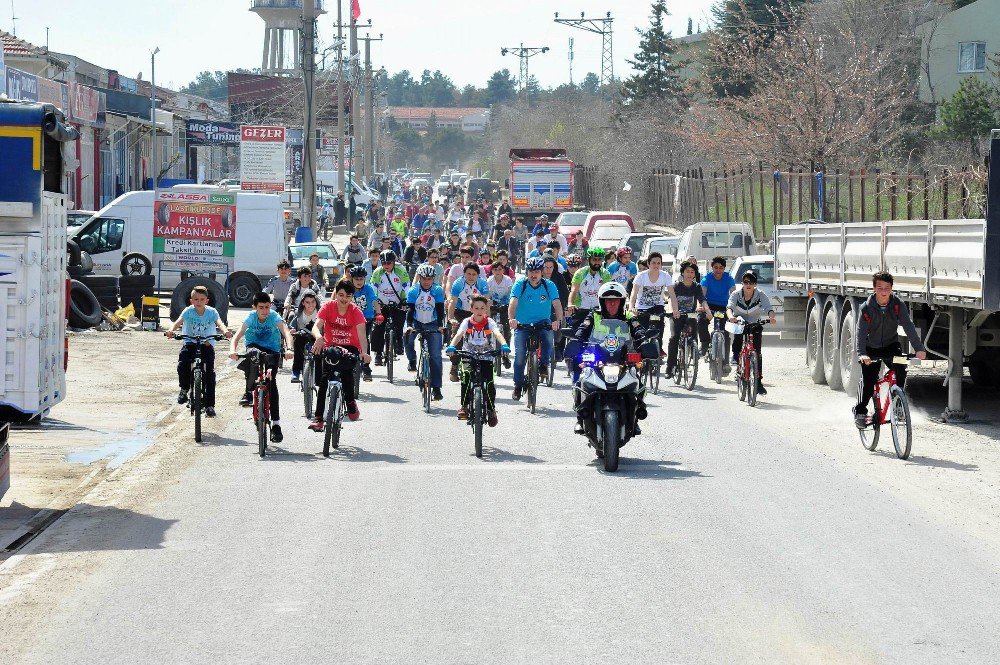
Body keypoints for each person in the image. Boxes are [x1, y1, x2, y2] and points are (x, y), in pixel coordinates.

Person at [571, 281, 649, 435]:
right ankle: (580, 419)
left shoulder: (628, 316)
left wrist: (644, 339)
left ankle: (635, 418)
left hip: (622, 359)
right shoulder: (594, 315)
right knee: (581, 379)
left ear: (621, 302)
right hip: (598, 358)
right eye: (608, 300)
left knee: (637, 381)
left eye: (616, 300)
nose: (612, 303)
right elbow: (583, 329)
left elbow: (638, 328)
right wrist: (577, 340)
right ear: (602, 301)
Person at [853, 271, 927, 428]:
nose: (884, 291)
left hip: (891, 347)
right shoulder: (866, 308)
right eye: (880, 287)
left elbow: (908, 326)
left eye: (887, 287)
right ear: (874, 288)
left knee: (901, 368)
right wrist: (862, 354)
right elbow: (860, 333)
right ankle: (860, 411)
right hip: (870, 350)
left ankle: (898, 405)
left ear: (892, 288)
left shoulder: (897, 305)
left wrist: (919, 348)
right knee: (868, 381)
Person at [229, 292, 294, 443]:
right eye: (261, 308)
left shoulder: (274, 316)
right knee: (252, 356)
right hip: (254, 347)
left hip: (272, 349)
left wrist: (289, 349)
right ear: (254, 308)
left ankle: (276, 425)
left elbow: (286, 332)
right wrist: (232, 350)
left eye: (267, 307)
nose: (264, 311)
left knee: (272, 383)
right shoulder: (251, 317)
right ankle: (249, 392)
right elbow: (237, 335)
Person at [309, 279, 371, 430]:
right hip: (332, 347)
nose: (344, 299)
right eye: (341, 295)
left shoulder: (356, 311)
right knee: (324, 379)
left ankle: (350, 402)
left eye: (348, 296)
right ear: (336, 293)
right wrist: (319, 337)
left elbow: (362, 335)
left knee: (347, 373)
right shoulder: (328, 307)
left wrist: (364, 353)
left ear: (352, 297)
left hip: (350, 348)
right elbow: (316, 326)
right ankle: (318, 418)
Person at [165, 285, 232, 418]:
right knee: (182, 365)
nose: (199, 302)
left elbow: (219, 323)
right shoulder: (188, 311)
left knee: (210, 375)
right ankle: (184, 389)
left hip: (206, 344)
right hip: (190, 342)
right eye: (196, 299)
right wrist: (171, 331)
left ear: (207, 300)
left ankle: (209, 406)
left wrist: (225, 331)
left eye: (202, 299)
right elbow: (178, 322)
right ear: (191, 301)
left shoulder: (212, 312)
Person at [447, 294, 511, 426]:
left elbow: (498, 333)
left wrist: (504, 344)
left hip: (486, 355)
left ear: (486, 309)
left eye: (483, 308)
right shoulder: (466, 322)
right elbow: (459, 334)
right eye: (476, 308)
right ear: (471, 309)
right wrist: (452, 346)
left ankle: (491, 410)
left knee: (489, 383)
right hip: (468, 354)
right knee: (466, 376)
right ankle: (464, 407)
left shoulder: (490, 322)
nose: (480, 311)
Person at [508, 257, 563, 401]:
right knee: (519, 356)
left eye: (537, 271)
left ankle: (543, 364)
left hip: (542, 322)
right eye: (531, 271)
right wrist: (511, 319)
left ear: (542, 272)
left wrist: (558, 320)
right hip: (522, 324)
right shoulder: (521, 284)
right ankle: (518, 385)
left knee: (549, 340)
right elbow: (513, 302)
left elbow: (557, 304)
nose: (534, 275)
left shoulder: (549, 285)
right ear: (527, 272)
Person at [726, 271, 778, 396]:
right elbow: (729, 308)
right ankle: (736, 357)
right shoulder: (736, 294)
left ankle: (758, 382)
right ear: (742, 283)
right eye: (746, 282)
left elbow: (769, 308)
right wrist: (731, 317)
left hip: (755, 322)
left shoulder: (760, 294)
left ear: (755, 284)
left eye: (752, 282)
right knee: (739, 336)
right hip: (740, 321)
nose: (748, 284)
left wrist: (771, 317)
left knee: (757, 353)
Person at [404, 264, 446, 401]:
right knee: (408, 337)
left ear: (433, 278)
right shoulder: (413, 291)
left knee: (435, 356)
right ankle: (412, 359)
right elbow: (410, 310)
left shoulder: (437, 290)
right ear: (419, 278)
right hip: (416, 321)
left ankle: (436, 388)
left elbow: (440, 310)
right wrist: (409, 326)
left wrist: (440, 326)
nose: (426, 281)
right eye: (423, 278)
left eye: (429, 279)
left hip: (433, 323)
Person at [666, 261, 713, 378]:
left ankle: (693, 354)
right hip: (677, 315)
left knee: (693, 336)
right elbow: (671, 299)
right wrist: (674, 311)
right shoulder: (677, 286)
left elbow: (702, 299)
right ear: (682, 272)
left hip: (690, 315)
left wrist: (708, 311)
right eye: (687, 271)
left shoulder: (696, 286)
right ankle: (670, 366)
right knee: (674, 337)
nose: (690, 274)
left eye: (692, 272)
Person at [448, 262, 489, 382]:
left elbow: (486, 302)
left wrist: (488, 318)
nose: (471, 276)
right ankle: (454, 366)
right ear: (464, 274)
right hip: (460, 312)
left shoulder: (482, 283)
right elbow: (453, 302)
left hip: (477, 312)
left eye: (474, 274)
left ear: (478, 275)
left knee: (484, 337)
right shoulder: (458, 283)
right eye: (468, 274)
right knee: (457, 336)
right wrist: (451, 318)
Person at [370, 250, 410, 365]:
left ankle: (399, 344)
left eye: (389, 263)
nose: (386, 265)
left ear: (393, 262)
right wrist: (375, 302)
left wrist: (406, 301)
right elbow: (373, 288)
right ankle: (378, 353)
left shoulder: (401, 270)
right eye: (384, 263)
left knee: (399, 323)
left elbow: (407, 286)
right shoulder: (378, 272)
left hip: (398, 301)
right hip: (382, 302)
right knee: (378, 326)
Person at [628, 251, 672, 355]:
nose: (656, 265)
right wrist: (631, 307)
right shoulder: (640, 276)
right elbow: (633, 294)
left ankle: (659, 348)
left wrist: (674, 310)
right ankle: (639, 353)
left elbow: (672, 295)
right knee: (641, 332)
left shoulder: (665, 276)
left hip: (657, 307)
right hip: (642, 308)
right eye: (653, 263)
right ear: (648, 264)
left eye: (658, 263)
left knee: (659, 328)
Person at [568, 246, 613, 336]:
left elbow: (608, 293)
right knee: (577, 336)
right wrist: (570, 304)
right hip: (581, 309)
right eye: (594, 260)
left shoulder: (605, 274)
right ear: (588, 260)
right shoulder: (580, 273)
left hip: (598, 310)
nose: (597, 262)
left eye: (599, 260)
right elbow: (573, 291)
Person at [699, 256, 737, 355]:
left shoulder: (728, 278)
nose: (718, 270)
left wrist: (733, 310)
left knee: (725, 332)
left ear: (724, 269)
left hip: (724, 307)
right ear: (712, 268)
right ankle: (705, 343)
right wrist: (706, 310)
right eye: (716, 267)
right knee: (701, 321)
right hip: (709, 306)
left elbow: (734, 295)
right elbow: (702, 296)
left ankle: (726, 363)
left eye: (721, 268)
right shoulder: (707, 278)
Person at [350, 265, 381, 381]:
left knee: (364, 339)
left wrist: (378, 313)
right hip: (351, 319)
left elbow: (374, 300)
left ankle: (366, 367)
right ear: (352, 279)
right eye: (356, 279)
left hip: (366, 318)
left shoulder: (368, 288)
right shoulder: (348, 289)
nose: (359, 281)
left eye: (361, 279)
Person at [288, 289, 320, 383]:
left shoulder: (320, 312)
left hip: (316, 337)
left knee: (320, 354)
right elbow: (292, 325)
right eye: (307, 302)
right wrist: (292, 329)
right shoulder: (299, 313)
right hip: (302, 335)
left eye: (313, 301)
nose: (311, 304)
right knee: (298, 348)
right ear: (303, 303)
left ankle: (319, 377)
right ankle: (296, 371)